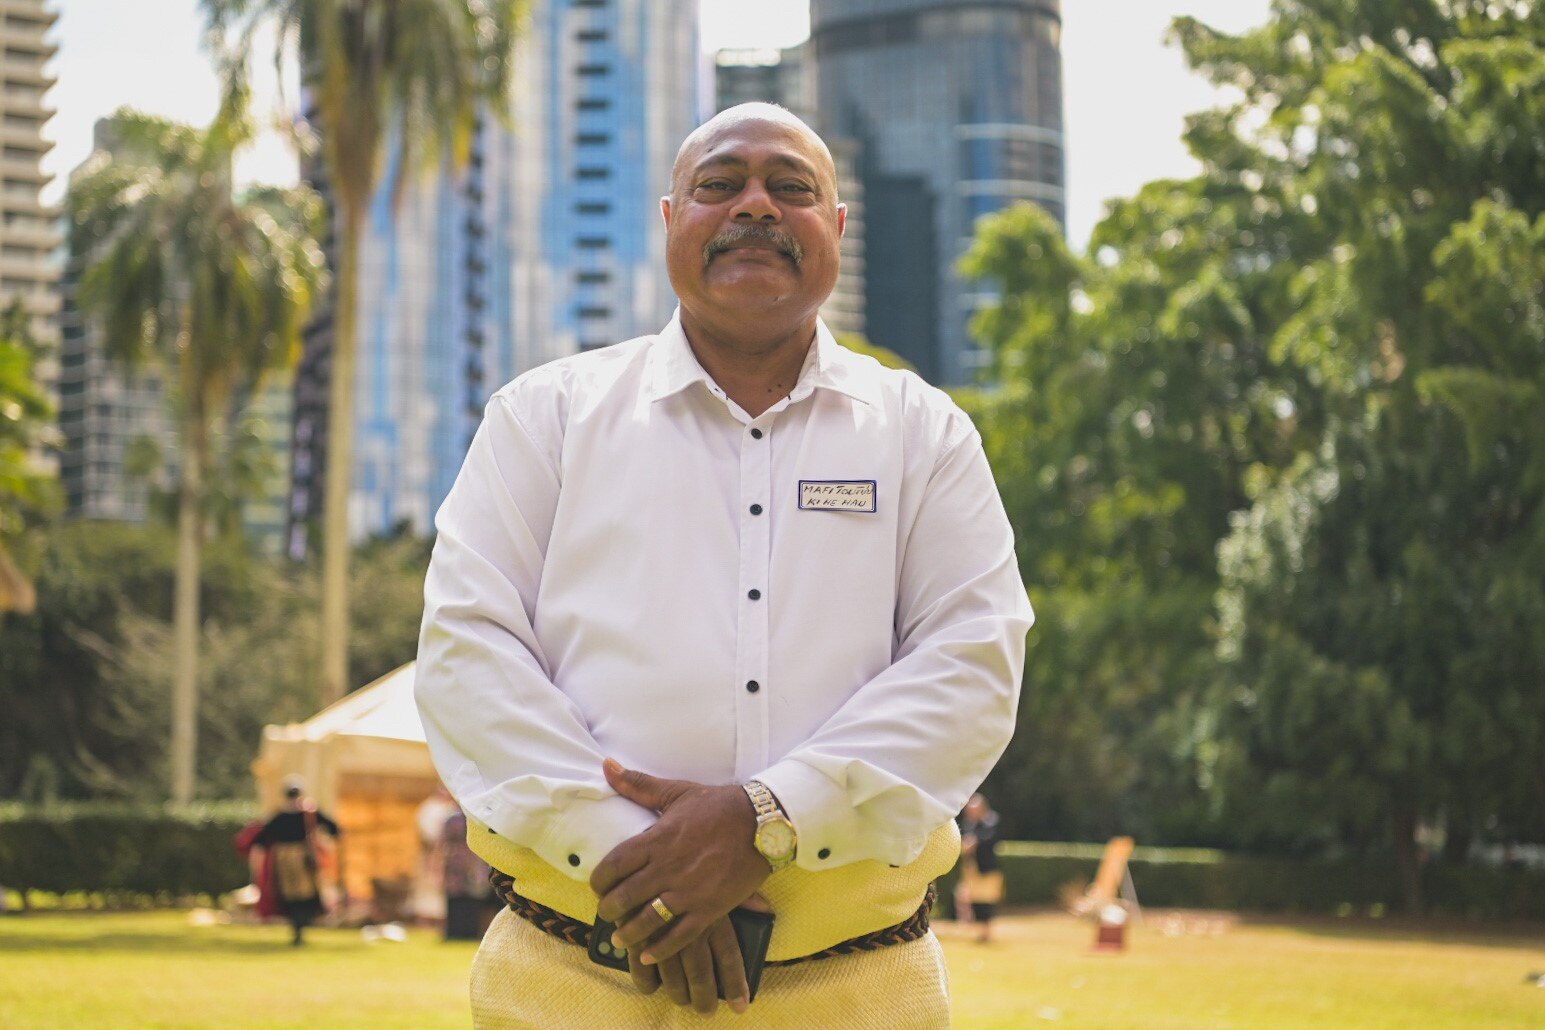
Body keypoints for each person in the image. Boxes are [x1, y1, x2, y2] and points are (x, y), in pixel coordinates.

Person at [415, 102, 1033, 1026]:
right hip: (571, 980)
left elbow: (972, 661)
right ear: (670, 220)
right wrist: (645, 870)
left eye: (790, 187)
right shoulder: (544, 417)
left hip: (854, 991)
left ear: (837, 227)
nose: (754, 206)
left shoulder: (922, 433)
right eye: (720, 184)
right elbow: (468, 654)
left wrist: (765, 822)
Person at [251, 777, 340, 946]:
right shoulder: (308, 813)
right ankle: (301, 925)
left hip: (283, 860)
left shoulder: (280, 816)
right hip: (302, 859)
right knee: (304, 894)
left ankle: (298, 927)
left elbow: (261, 839)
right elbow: (334, 829)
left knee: (291, 895)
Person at [958, 794, 1004, 943]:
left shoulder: (992, 821)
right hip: (973, 869)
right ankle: (981, 931)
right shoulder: (969, 824)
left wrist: (976, 842)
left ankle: (987, 932)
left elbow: (992, 838)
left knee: (987, 901)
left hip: (988, 869)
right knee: (976, 900)